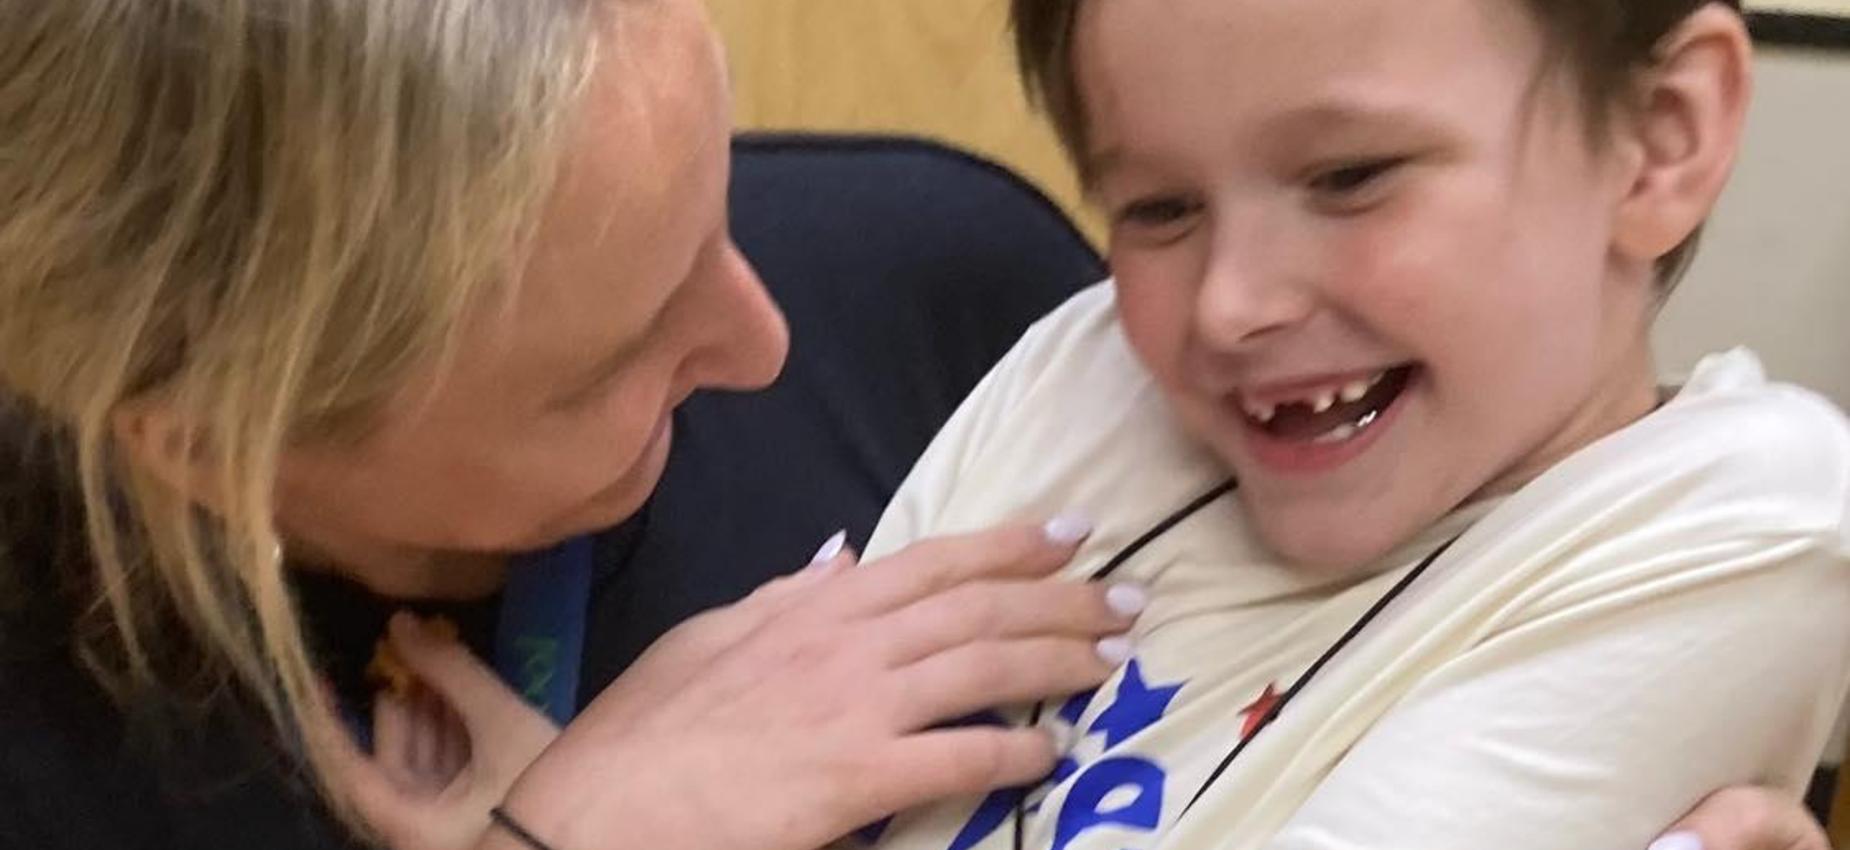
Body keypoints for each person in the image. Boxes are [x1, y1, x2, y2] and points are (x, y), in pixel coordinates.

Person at [0, 2, 1830, 850]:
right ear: (198, 435)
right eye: (605, 355)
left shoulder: (945, 286)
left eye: (717, 200)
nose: (762, 329)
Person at [849, 0, 1850, 848]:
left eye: (1349, 176)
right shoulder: (1091, 369)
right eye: (1158, 208)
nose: (1228, 305)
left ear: (1658, 138)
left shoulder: (1730, 512)